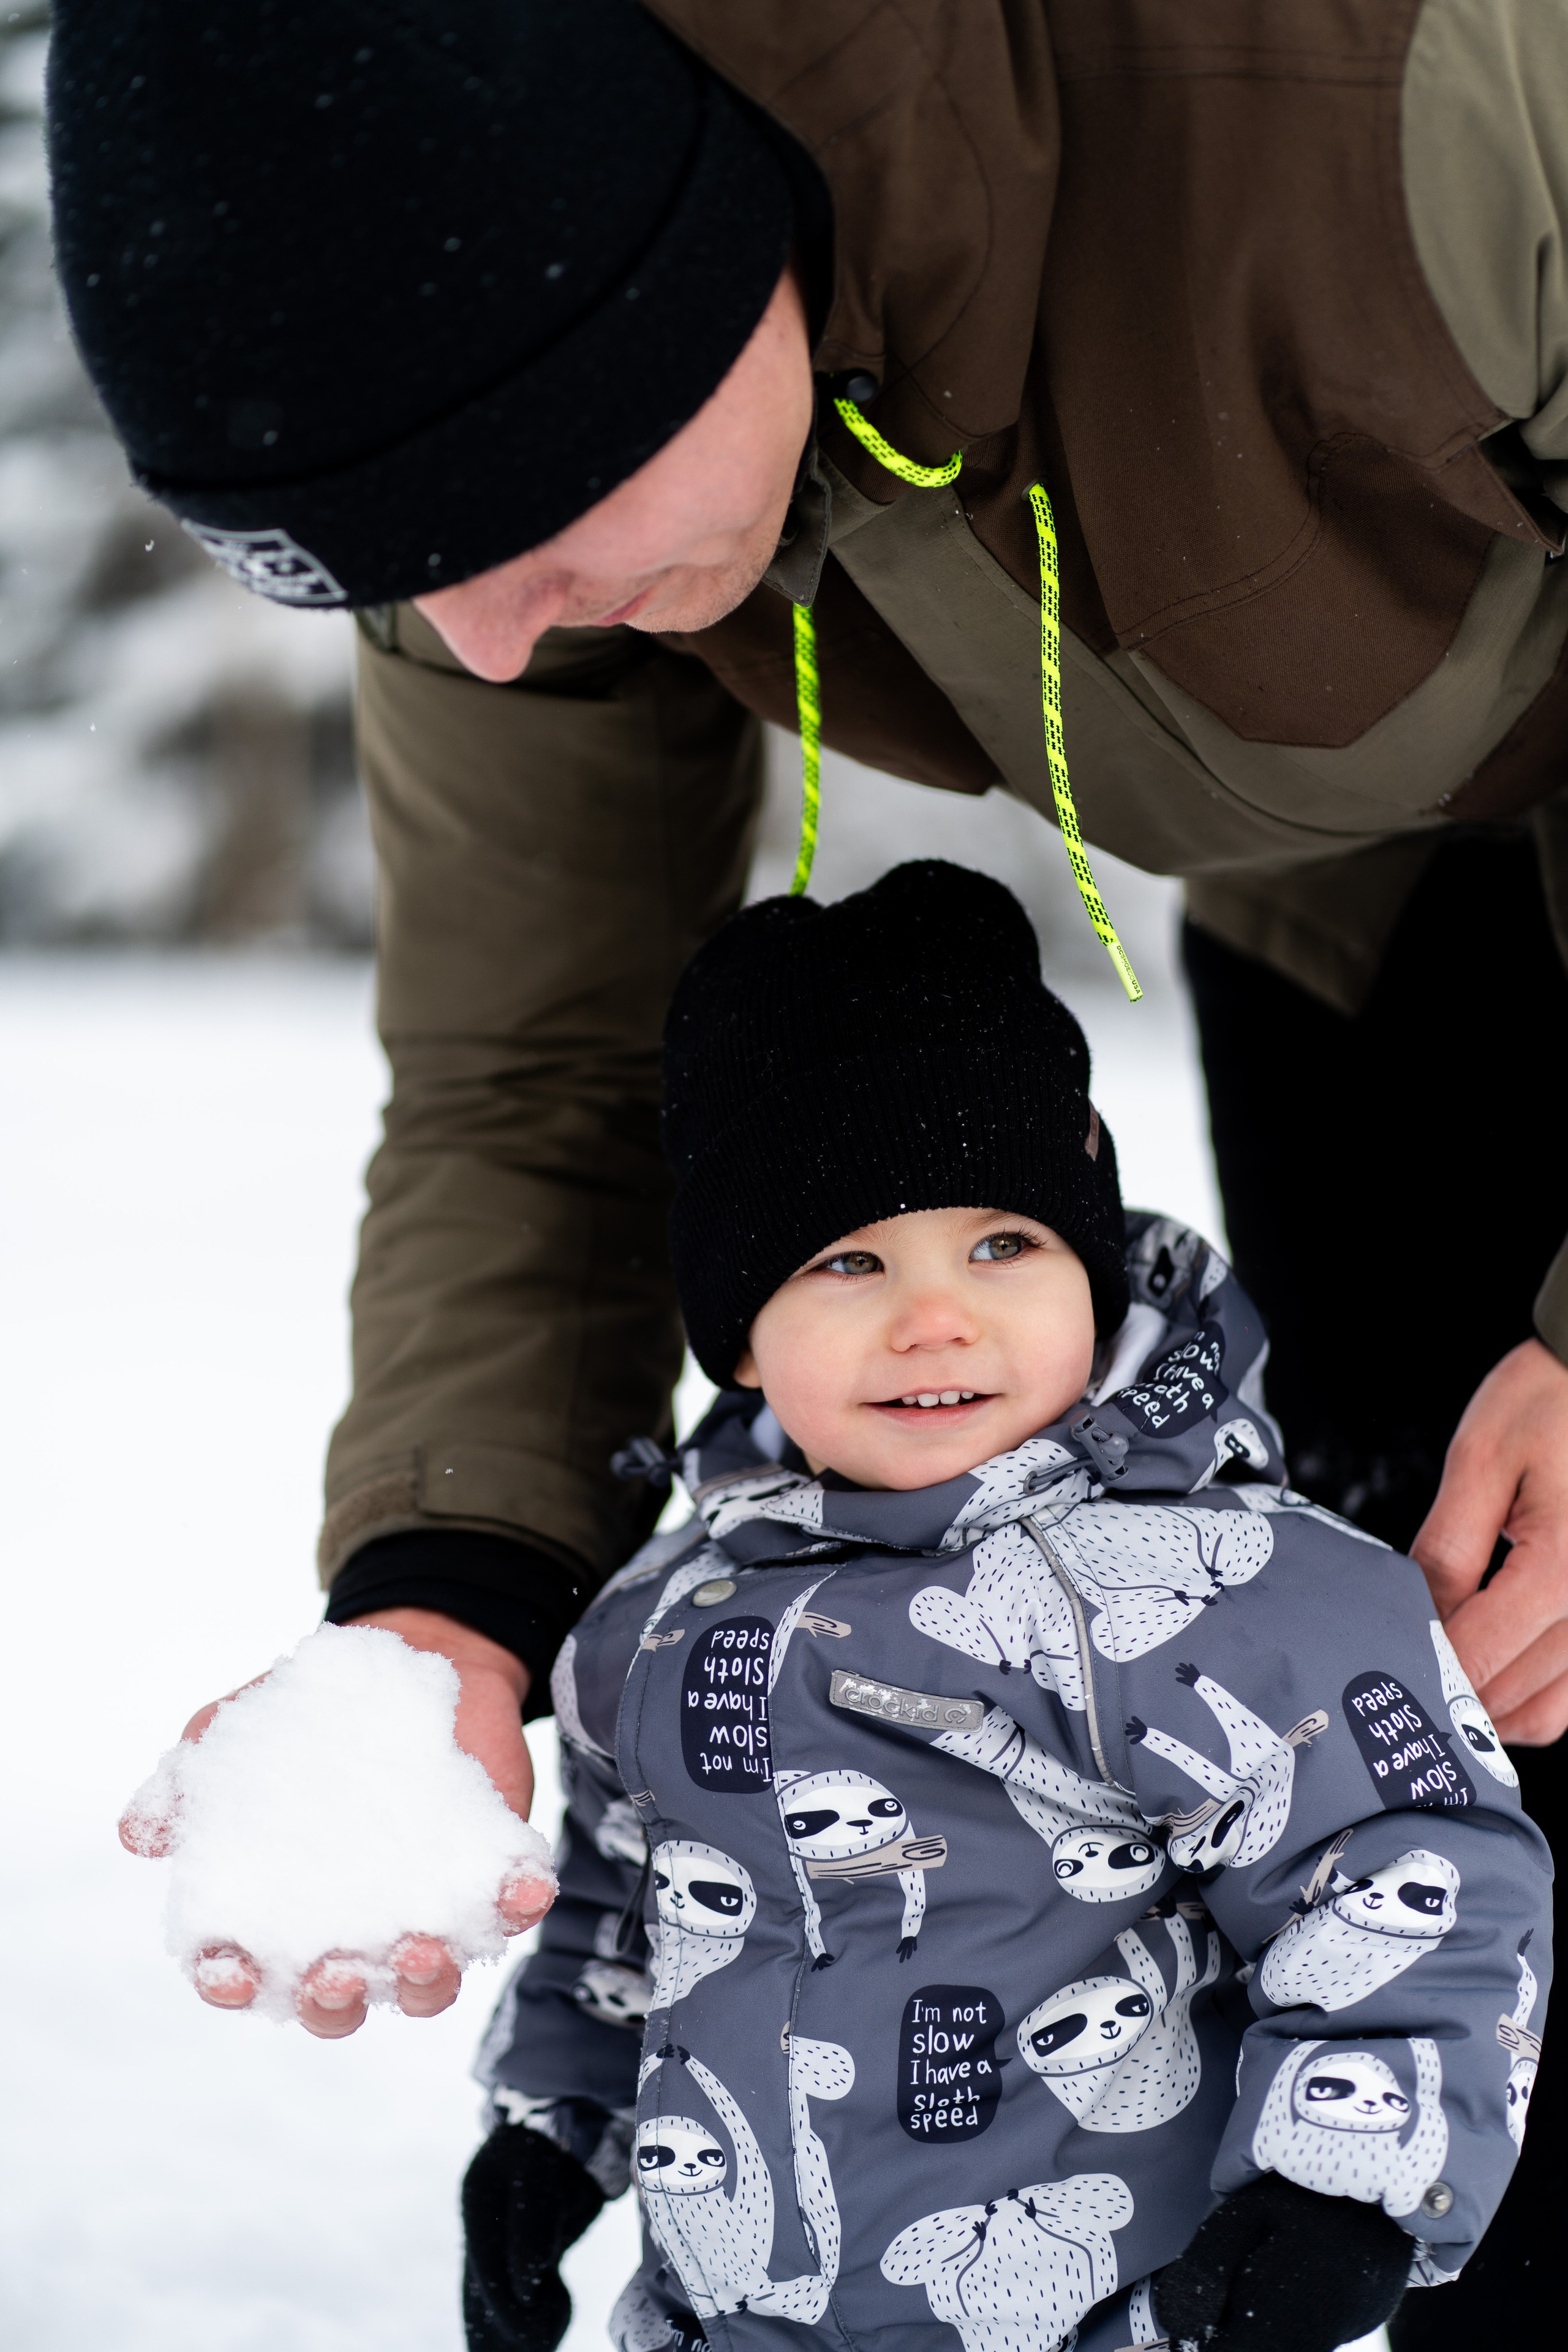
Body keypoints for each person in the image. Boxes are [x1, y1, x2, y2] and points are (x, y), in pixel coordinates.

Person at [45, 2, 1567, 2339]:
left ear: (672, 267)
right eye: (377, 580)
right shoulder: (487, 446)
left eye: (505, 522)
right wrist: (456, 1588)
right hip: (1366, 916)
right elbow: (539, 1062)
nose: (478, 636)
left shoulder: (1402, 109)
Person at [461, 862, 1551, 2352]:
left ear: (1086, 1269)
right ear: (733, 1339)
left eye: (1002, 1244)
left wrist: (1341, 2195)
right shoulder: (666, 1615)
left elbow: (1408, 1874)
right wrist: (554, 2122)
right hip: (732, 2313)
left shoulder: (1238, 1595)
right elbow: (626, 1899)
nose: (936, 1315)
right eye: (846, 1261)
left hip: (1129, 2310)